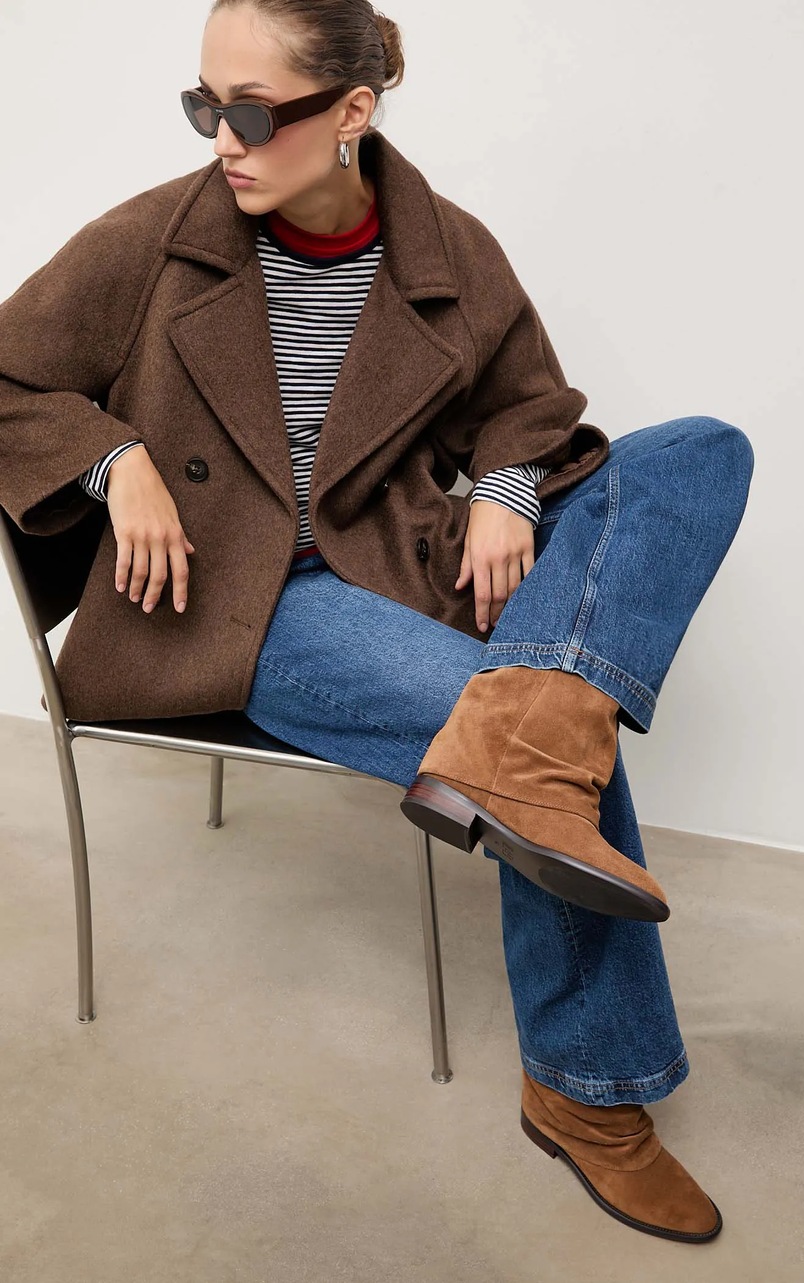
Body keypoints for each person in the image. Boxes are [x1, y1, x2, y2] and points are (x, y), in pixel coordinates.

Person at [0, 0, 754, 1246]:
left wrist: (508, 488)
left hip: (405, 562)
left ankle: (542, 715)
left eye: (253, 113)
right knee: (539, 749)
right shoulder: (152, 242)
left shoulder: (443, 250)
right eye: (204, 105)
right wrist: (116, 458)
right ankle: (589, 1093)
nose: (223, 139)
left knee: (698, 453)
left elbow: (531, 407)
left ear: (353, 111)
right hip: (238, 603)